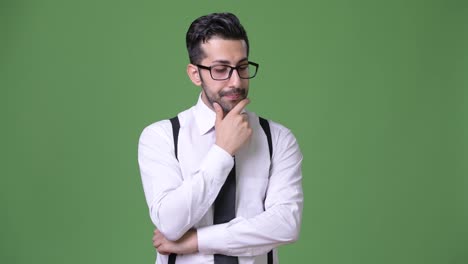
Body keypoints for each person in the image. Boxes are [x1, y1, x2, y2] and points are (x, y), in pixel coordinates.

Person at [138, 12, 303, 264]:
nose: (236, 81)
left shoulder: (278, 138)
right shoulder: (161, 136)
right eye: (221, 70)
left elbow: (285, 223)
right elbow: (170, 223)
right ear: (195, 74)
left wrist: (196, 241)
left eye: (243, 67)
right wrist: (223, 151)